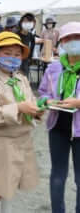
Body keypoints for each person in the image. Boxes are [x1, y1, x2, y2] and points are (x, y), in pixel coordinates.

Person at [0, 31, 44, 213]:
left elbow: (29, 101)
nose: (13, 58)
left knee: (9, 186)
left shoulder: (21, 78)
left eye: (17, 55)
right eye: (7, 53)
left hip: (21, 141)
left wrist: (38, 110)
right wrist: (19, 108)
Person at [38, 22, 80, 213]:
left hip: (79, 132)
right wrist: (47, 102)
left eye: (77, 38)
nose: (73, 42)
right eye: (68, 39)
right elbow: (43, 93)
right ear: (61, 42)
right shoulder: (54, 68)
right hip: (57, 128)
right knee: (57, 175)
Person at [17, 13, 36, 77]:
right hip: (16, 61)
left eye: (29, 21)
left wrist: (30, 59)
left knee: (25, 81)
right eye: (25, 21)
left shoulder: (31, 36)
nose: (27, 23)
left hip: (26, 62)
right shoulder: (16, 35)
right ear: (21, 22)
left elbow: (32, 48)